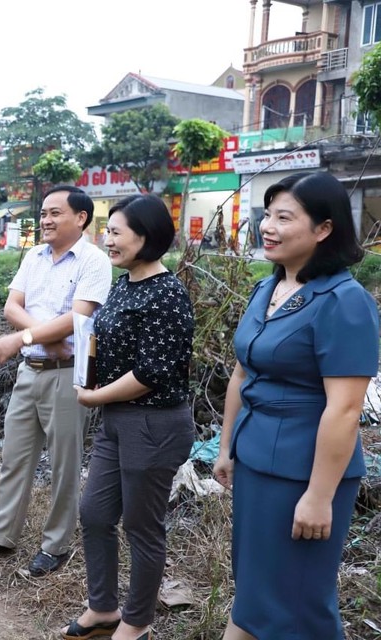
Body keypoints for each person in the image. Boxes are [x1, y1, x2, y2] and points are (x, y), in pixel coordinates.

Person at [213, 172, 378, 640]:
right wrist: (227, 447)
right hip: (256, 463)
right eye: (268, 214)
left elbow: (344, 410)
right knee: (256, 596)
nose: (268, 226)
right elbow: (242, 372)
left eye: (284, 217)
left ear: (324, 229)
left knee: (298, 609)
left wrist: (319, 495)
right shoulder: (267, 290)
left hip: (304, 475)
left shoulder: (346, 302)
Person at [0, 185, 111, 577]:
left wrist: (23, 337)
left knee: (64, 463)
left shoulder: (94, 261)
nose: (45, 220)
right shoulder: (33, 256)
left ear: (81, 218)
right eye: (43, 213)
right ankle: (1, 534)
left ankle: (56, 545)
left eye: (55, 213)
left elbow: (81, 317)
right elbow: (12, 305)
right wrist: (48, 336)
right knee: (15, 457)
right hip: (32, 370)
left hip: (68, 375)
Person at [61, 194, 194, 640]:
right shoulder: (125, 285)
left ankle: (137, 622)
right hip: (117, 420)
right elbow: (105, 340)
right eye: (108, 230)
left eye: (117, 232)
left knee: (142, 526)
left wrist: (94, 397)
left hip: (153, 423)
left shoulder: (167, 294)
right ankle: (102, 607)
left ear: (147, 237)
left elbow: (152, 373)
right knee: (95, 512)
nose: (108, 240)